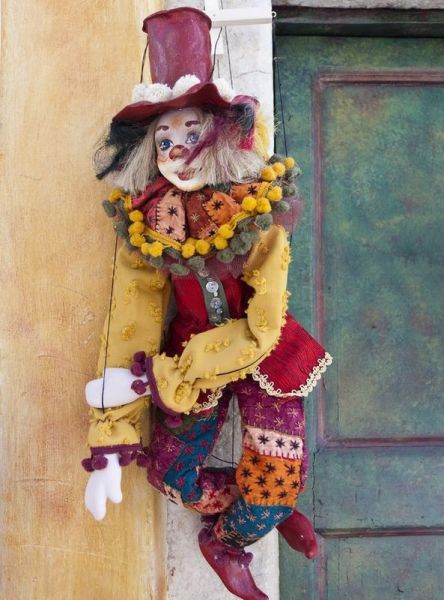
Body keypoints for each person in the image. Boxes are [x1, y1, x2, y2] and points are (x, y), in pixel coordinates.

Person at [82, 8, 332, 600]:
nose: (177, 150)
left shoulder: (257, 206)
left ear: (220, 132)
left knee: (274, 486)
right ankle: (259, 504)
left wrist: (162, 379)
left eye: (191, 132)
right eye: (164, 140)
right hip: (188, 356)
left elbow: (262, 321)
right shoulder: (149, 223)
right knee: (170, 476)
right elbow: (131, 319)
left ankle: (233, 536)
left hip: (264, 351)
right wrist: (110, 435)